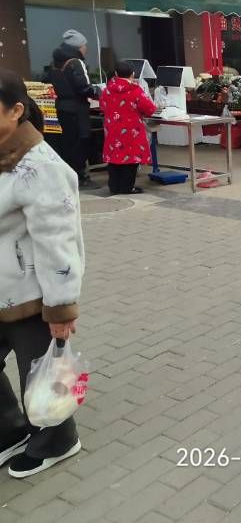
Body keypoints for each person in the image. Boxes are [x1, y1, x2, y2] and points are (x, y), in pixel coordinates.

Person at [0, 70, 83, 478]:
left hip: (31, 294)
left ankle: (57, 440)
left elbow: (58, 241)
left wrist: (61, 307)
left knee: (41, 373)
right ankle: (10, 430)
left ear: (16, 110)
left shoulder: (40, 167)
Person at [46, 30, 101, 190]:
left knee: (66, 144)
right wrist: (97, 91)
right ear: (78, 47)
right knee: (80, 143)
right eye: (84, 45)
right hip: (77, 109)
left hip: (60, 108)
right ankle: (81, 178)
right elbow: (83, 87)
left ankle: (68, 178)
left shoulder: (54, 62)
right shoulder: (76, 62)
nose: (86, 48)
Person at [100, 62, 157, 195]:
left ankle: (114, 187)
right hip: (132, 131)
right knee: (131, 159)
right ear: (132, 74)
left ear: (116, 74)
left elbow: (102, 106)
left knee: (114, 158)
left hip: (113, 129)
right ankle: (127, 188)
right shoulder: (135, 90)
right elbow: (150, 109)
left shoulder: (107, 90)